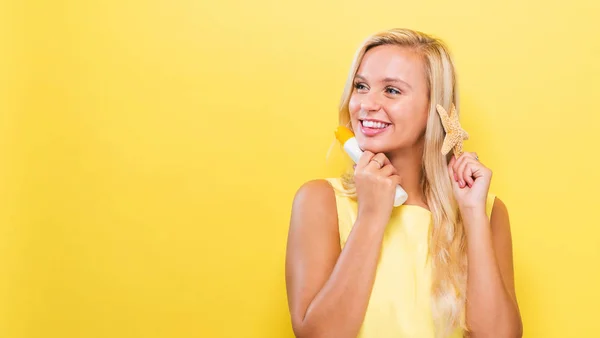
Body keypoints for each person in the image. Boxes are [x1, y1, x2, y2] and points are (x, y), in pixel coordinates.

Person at [285, 28, 523, 338]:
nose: (366, 104)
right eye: (361, 86)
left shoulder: (486, 211)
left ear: (433, 109)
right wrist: (371, 216)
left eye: (392, 91)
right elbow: (319, 335)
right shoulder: (321, 200)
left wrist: (473, 215)